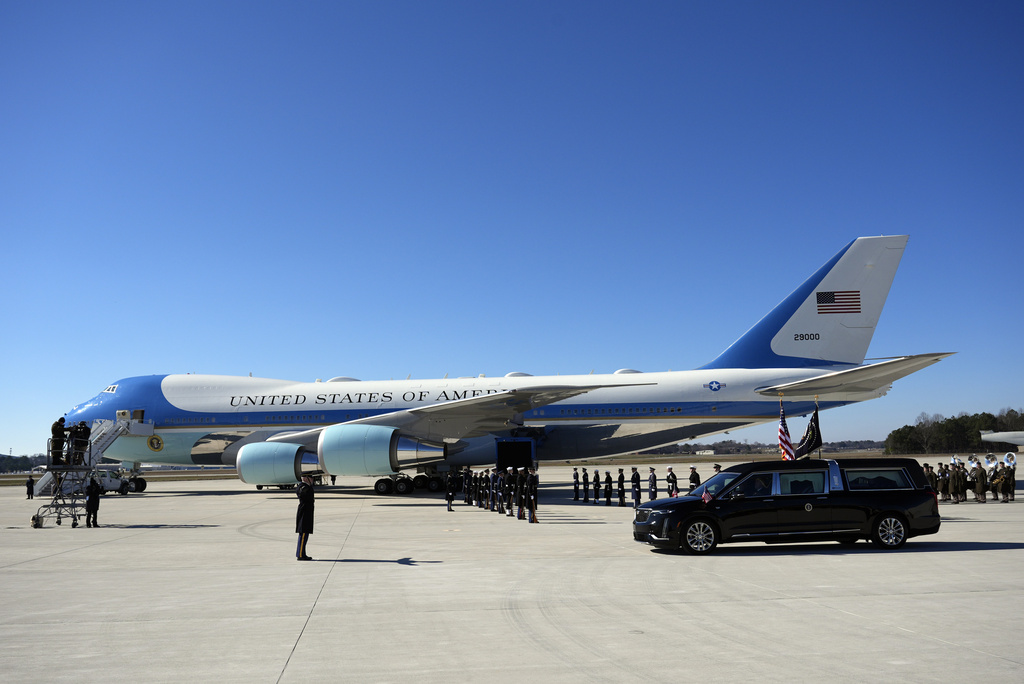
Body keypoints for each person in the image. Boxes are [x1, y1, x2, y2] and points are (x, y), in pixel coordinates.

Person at [295, 476, 315, 561]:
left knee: (305, 535)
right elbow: (300, 493)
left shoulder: (307, 487)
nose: (312, 480)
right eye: (311, 478)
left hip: (307, 513)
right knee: (303, 534)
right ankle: (300, 555)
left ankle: (302, 553)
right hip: (304, 514)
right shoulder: (303, 487)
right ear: (306, 479)